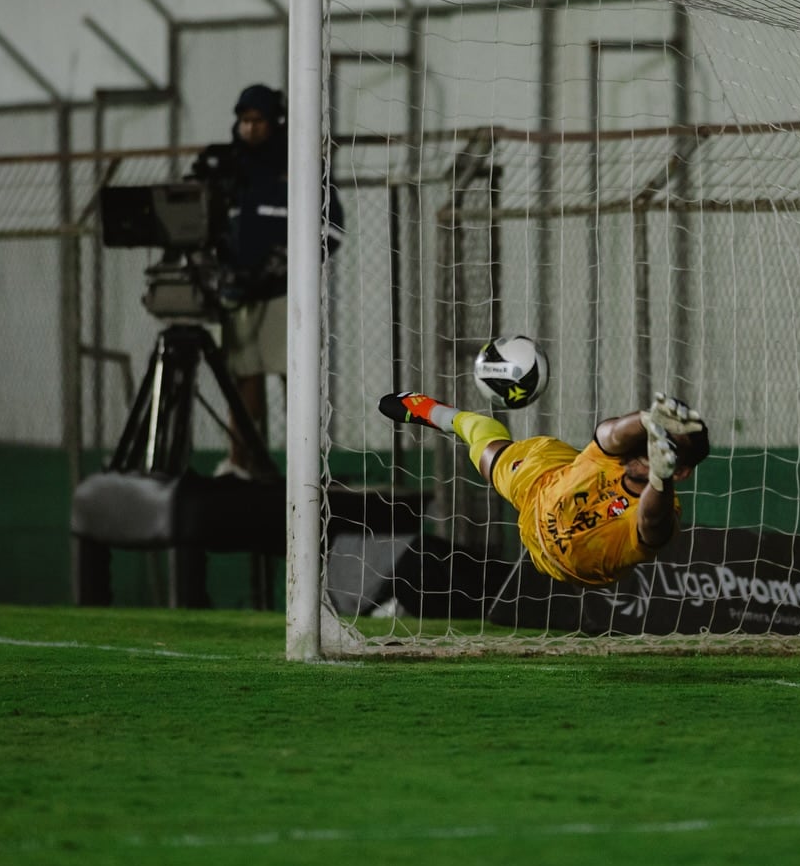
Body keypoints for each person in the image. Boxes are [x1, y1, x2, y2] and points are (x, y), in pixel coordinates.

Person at [377, 390, 710, 587]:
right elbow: (610, 433)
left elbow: (652, 525)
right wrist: (649, 419)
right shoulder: (615, 457)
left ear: (680, 472)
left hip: (566, 560)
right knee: (482, 440)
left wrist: (659, 478)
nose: (651, 447)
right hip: (541, 482)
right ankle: (437, 412)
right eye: (653, 439)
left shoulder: (661, 509)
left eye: (666, 448)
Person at [192, 83, 344, 479]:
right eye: (243, 120)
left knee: (293, 376)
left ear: (275, 122)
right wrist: (219, 270)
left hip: (283, 294)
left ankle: (306, 468)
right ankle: (243, 463)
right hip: (238, 296)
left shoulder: (301, 165)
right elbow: (198, 222)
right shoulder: (228, 167)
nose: (249, 128)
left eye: (258, 120)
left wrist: (284, 265)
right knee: (243, 377)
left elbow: (334, 230)